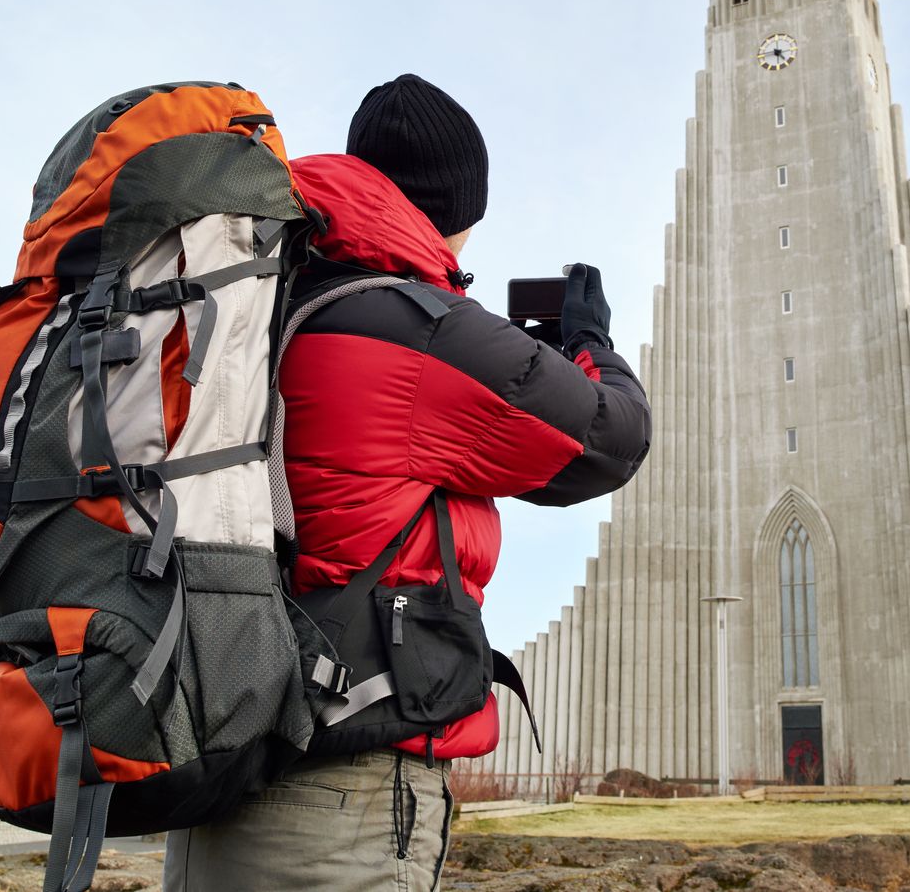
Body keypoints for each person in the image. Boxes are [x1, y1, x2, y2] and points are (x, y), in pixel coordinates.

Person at [164, 74, 652, 891]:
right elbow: (611, 438)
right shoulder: (415, 330)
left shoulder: (262, 298)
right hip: (337, 803)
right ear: (454, 213)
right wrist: (589, 337)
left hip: (218, 763)